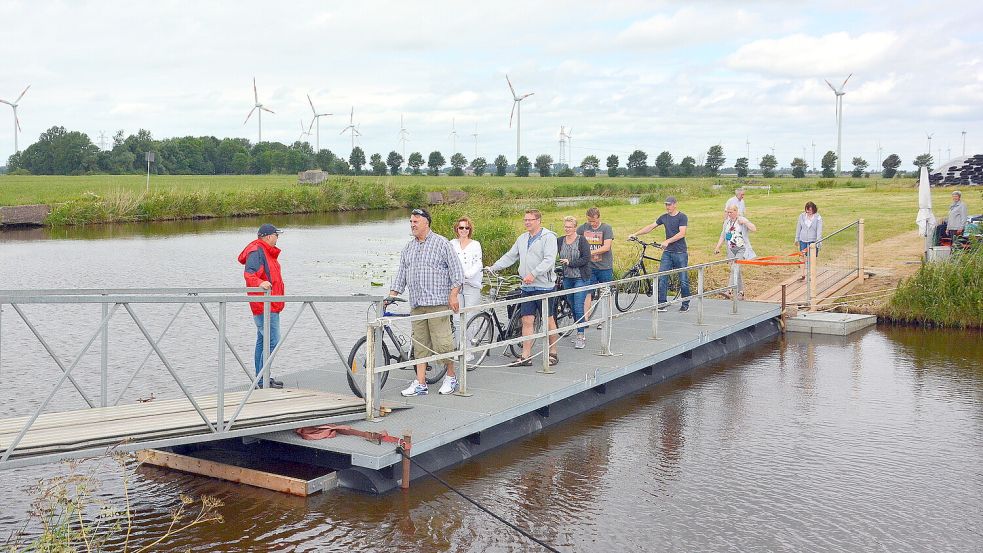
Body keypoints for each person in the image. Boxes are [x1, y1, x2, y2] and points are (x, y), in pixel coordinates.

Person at [391, 208, 465, 397]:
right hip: (417, 304)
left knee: (443, 344)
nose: (412, 225)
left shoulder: (442, 243)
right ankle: (421, 383)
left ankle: (451, 377)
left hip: (437, 303)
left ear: (426, 223)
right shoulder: (408, 248)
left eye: (415, 222)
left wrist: (453, 295)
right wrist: (391, 296)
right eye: (411, 222)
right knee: (419, 345)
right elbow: (401, 275)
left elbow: (457, 273)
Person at [487, 209, 560, 366]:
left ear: (538, 221)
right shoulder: (522, 238)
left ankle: (553, 352)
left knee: (548, 320)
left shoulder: (548, 238)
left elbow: (549, 260)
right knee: (527, 320)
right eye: (525, 220)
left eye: (530, 220)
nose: (527, 222)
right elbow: (510, 256)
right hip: (527, 286)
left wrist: (534, 273)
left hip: (544, 287)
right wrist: (494, 267)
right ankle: (526, 356)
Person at [238, 223, 285, 389]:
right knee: (273, 341)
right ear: (268, 236)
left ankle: (262, 378)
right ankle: (262, 379)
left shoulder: (265, 251)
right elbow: (249, 274)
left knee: (263, 341)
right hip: (264, 305)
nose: (278, 238)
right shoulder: (257, 250)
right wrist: (260, 282)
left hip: (270, 304)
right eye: (276, 235)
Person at [628, 196, 691, 312]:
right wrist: (636, 234)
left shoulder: (682, 217)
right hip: (667, 252)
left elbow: (682, 233)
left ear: (675, 204)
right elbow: (651, 227)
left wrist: (667, 241)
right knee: (662, 277)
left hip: (680, 252)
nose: (667, 207)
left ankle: (685, 303)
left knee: (683, 279)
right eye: (666, 204)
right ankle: (662, 303)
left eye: (669, 204)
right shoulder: (664, 217)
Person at [450, 216, 483, 361]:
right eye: (461, 227)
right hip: (456, 286)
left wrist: (467, 275)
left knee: (470, 317)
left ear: (470, 229)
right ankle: (459, 348)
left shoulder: (475, 244)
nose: (464, 230)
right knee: (457, 319)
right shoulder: (451, 243)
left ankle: (468, 350)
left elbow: (478, 263)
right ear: (457, 229)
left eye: (467, 228)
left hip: (471, 285)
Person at [558, 216, 591, 349]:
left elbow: (586, 258)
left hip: (580, 277)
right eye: (565, 227)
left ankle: (580, 335)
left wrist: (570, 263)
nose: (567, 229)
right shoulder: (560, 240)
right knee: (571, 305)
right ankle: (579, 327)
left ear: (575, 228)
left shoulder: (581, 240)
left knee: (578, 306)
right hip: (567, 277)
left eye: (570, 227)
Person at [578, 207, 614, 328]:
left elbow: (606, 247)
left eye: (594, 221)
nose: (592, 223)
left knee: (605, 292)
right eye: (589, 221)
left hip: (604, 266)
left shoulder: (606, 228)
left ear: (599, 217)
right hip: (589, 267)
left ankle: (605, 319)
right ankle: (585, 319)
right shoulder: (583, 228)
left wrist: (588, 253)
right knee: (587, 292)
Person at [714, 205, 757, 299]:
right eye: (728, 212)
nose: (729, 214)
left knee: (735, 268)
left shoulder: (741, 220)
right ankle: (741, 292)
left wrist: (745, 222)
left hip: (741, 249)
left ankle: (729, 291)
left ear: (736, 211)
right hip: (731, 249)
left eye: (731, 212)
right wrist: (718, 247)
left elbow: (754, 229)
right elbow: (723, 236)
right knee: (736, 270)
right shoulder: (727, 222)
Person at [794, 201, 823, 280]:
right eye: (807, 210)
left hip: (812, 241)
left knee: (812, 258)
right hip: (803, 240)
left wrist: (819, 241)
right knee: (802, 256)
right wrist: (797, 238)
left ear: (814, 209)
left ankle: (811, 275)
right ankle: (802, 275)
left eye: (810, 210)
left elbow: (819, 230)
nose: (808, 212)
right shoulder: (801, 216)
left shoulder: (818, 217)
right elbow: (798, 228)